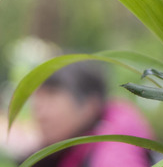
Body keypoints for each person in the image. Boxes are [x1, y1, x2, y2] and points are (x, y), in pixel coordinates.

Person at [26, 61, 154, 167]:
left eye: (51, 96)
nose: (40, 115)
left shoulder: (115, 148)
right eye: (37, 99)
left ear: (89, 106)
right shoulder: (67, 147)